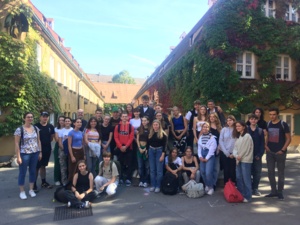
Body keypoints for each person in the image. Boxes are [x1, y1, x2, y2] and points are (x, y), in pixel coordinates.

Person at [265, 107, 291, 200]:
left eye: (274, 114)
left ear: (277, 114)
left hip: (280, 152)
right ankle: (273, 191)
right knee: (270, 172)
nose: (272, 116)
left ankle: (280, 192)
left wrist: (283, 150)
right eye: (270, 114)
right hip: (270, 152)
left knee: (280, 173)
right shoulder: (268, 124)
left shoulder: (283, 124)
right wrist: (266, 145)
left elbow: (288, 138)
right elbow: (267, 136)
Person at [14, 112, 41, 199]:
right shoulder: (19, 129)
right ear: (24, 118)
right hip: (24, 153)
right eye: (28, 117)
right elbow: (16, 143)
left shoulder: (36, 128)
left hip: (35, 153)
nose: (30, 119)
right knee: (22, 172)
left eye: (31, 117)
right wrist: (18, 156)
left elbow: (38, 141)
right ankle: (22, 191)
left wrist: (40, 152)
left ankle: (31, 189)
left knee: (33, 171)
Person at [233, 121, 254, 203]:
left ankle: (248, 196)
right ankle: (241, 195)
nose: (237, 127)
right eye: (236, 126)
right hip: (238, 160)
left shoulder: (247, 136)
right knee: (239, 178)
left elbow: (245, 149)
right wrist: (235, 155)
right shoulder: (239, 137)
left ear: (244, 127)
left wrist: (239, 156)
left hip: (245, 160)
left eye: (239, 126)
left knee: (246, 179)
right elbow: (235, 148)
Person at [34, 111, 55, 191]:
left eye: (46, 116)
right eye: (43, 116)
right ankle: (34, 184)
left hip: (47, 149)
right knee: (36, 167)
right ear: (40, 117)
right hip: (37, 149)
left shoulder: (50, 126)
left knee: (43, 166)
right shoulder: (36, 126)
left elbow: (51, 137)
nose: (45, 118)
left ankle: (43, 182)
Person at [114, 112, 134, 186]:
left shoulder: (130, 126)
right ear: (121, 117)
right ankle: (121, 178)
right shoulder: (117, 126)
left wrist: (126, 146)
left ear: (128, 118)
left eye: (126, 116)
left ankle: (128, 178)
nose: (124, 118)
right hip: (120, 148)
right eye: (123, 116)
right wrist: (120, 146)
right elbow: (116, 137)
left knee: (129, 164)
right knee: (120, 164)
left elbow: (131, 137)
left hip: (128, 147)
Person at [147, 119, 167, 193]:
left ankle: (158, 186)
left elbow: (165, 146)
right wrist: (147, 151)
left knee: (159, 170)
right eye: (154, 125)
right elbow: (148, 144)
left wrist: (162, 155)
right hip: (151, 151)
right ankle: (153, 185)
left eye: (157, 125)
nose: (155, 126)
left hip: (159, 151)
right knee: (152, 170)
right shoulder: (150, 133)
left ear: (159, 125)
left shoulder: (163, 134)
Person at [247, 114, 265, 196]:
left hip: (257, 155)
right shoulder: (246, 130)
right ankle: (249, 188)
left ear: (257, 120)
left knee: (257, 172)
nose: (253, 120)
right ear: (249, 120)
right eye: (251, 119)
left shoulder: (260, 131)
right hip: (247, 155)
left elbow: (262, 144)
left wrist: (260, 154)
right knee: (248, 172)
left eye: (255, 119)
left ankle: (255, 188)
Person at [198, 122, 217, 195]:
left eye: (206, 127)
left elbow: (213, 148)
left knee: (208, 172)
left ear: (209, 128)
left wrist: (207, 158)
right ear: (202, 128)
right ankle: (207, 185)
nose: (205, 128)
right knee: (203, 171)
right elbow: (199, 147)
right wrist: (200, 156)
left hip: (209, 155)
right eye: (203, 127)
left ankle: (211, 187)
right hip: (202, 154)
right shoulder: (201, 137)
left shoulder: (212, 137)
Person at [219, 115, 237, 184]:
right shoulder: (224, 129)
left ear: (234, 121)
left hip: (234, 153)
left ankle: (233, 185)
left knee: (233, 170)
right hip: (225, 153)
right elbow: (221, 141)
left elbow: (237, 142)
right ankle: (226, 185)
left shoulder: (236, 129)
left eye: (230, 120)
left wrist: (233, 153)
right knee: (226, 170)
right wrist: (226, 153)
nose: (229, 122)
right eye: (228, 120)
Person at [208, 112, 222, 190]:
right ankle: (209, 184)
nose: (212, 118)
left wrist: (219, 147)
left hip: (217, 149)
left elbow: (221, 138)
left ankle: (214, 183)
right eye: (211, 117)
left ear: (216, 118)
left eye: (214, 117)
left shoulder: (219, 127)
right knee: (210, 169)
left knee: (216, 168)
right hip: (209, 150)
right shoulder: (207, 126)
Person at [58, 117, 73, 186]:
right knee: (63, 167)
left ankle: (71, 181)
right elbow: (60, 141)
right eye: (66, 121)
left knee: (71, 166)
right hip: (63, 149)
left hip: (71, 150)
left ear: (71, 122)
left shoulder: (72, 130)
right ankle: (64, 182)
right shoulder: (61, 131)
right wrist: (64, 149)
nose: (67, 122)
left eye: (68, 121)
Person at [136, 116, 150, 187]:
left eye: (145, 120)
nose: (143, 122)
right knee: (140, 166)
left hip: (146, 148)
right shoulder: (139, 129)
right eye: (142, 121)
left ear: (148, 121)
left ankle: (146, 181)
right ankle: (141, 180)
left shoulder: (150, 129)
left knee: (147, 166)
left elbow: (149, 140)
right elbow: (137, 139)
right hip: (139, 148)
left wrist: (145, 149)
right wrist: (139, 148)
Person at [53, 116, 65, 186]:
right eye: (60, 120)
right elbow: (57, 139)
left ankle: (63, 178)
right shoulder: (56, 129)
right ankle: (56, 179)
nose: (61, 122)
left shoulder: (69, 128)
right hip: (58, 146)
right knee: (57, 163)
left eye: (63, 120)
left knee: (65, 163)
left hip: (67, 146)